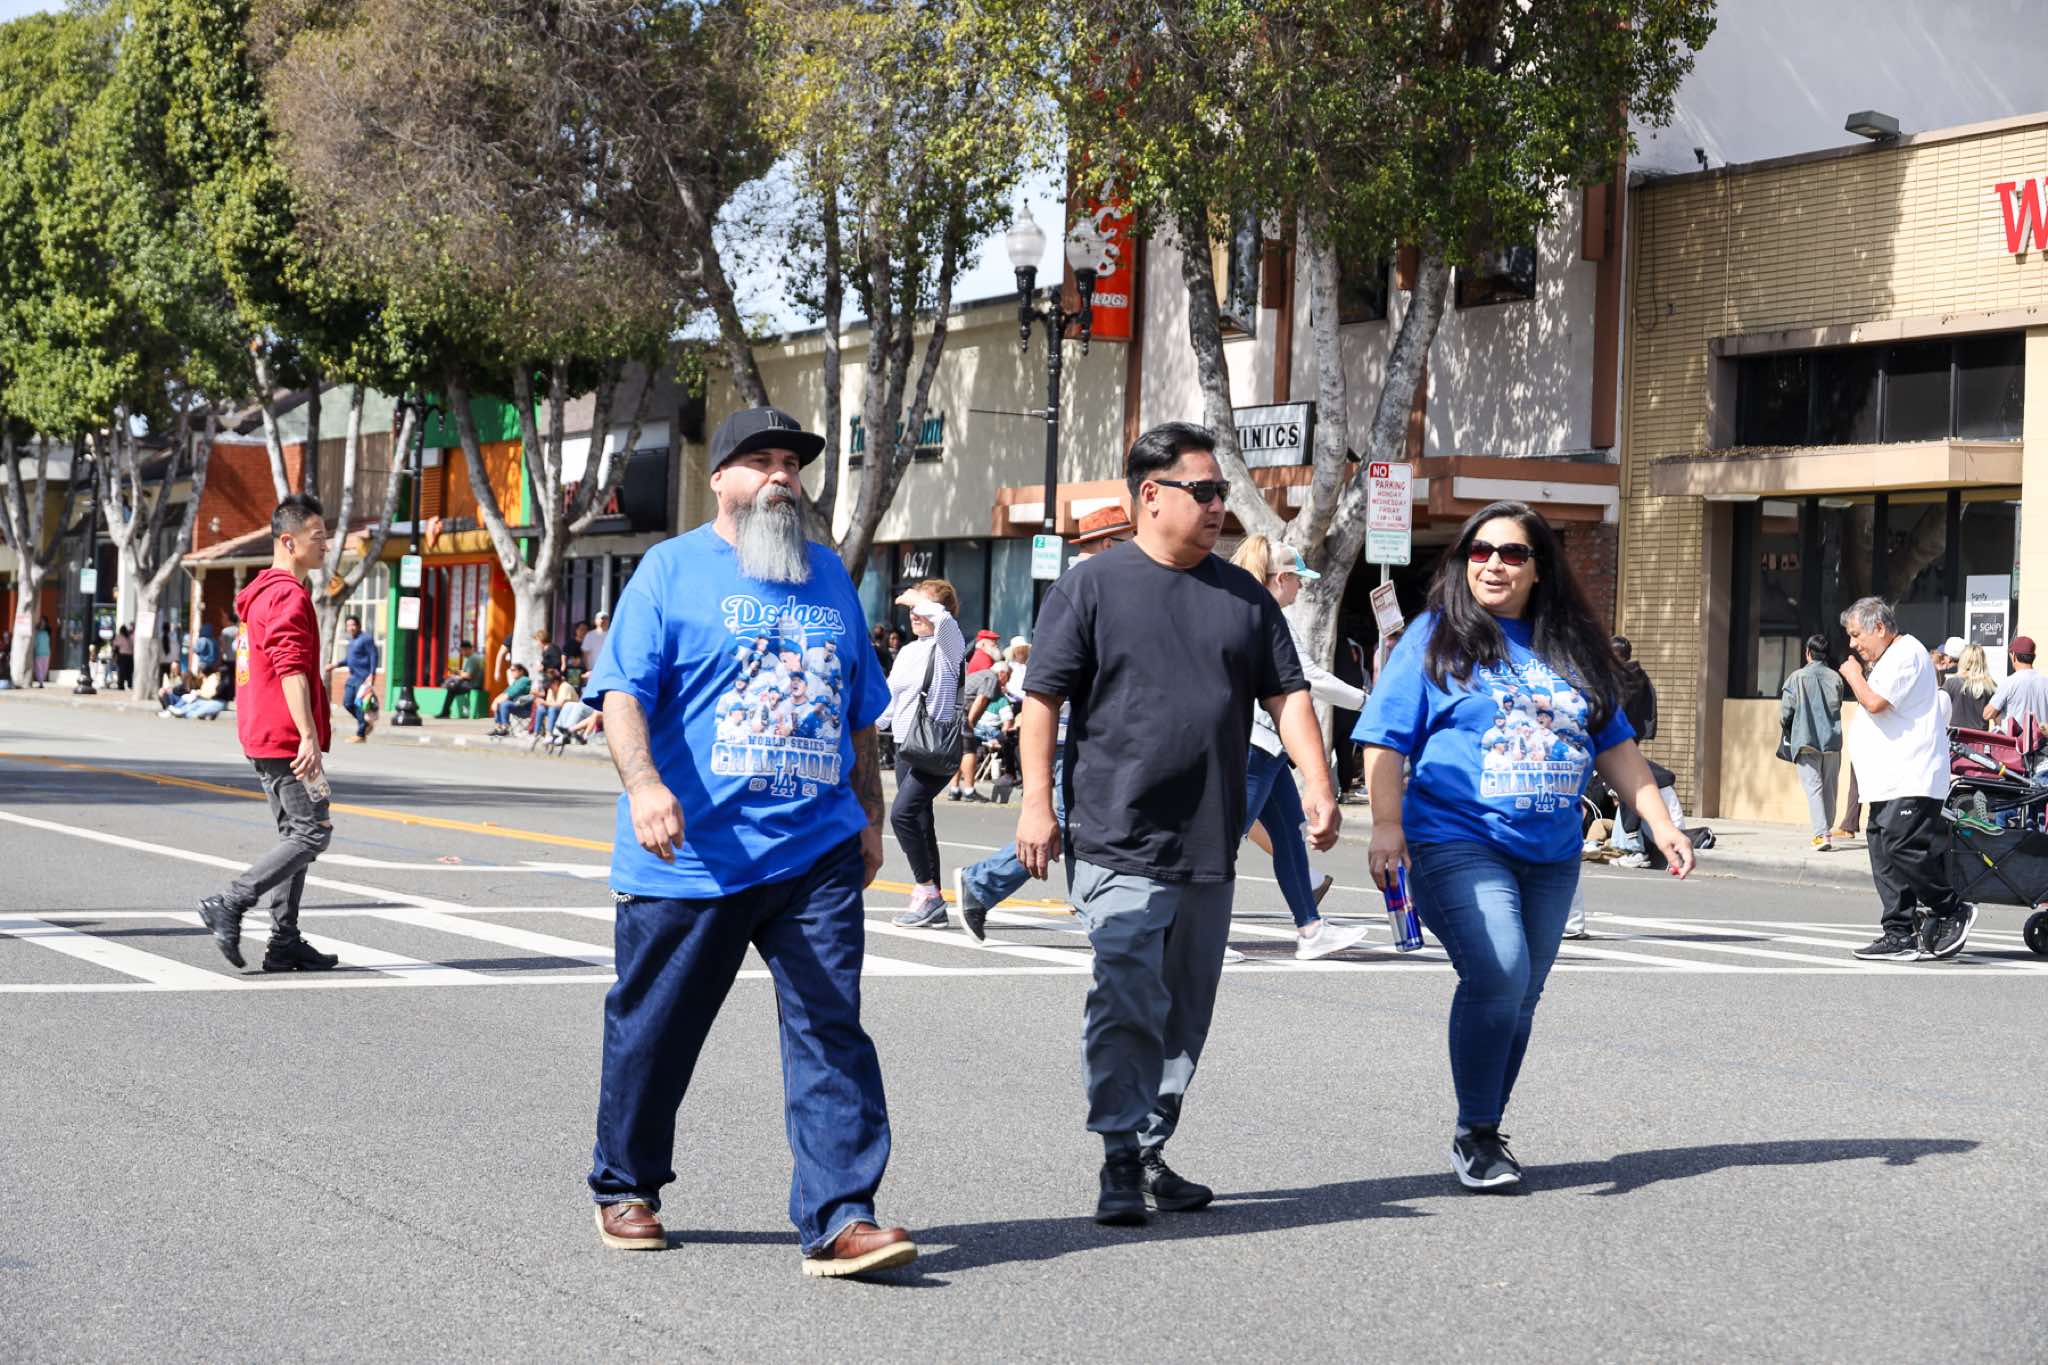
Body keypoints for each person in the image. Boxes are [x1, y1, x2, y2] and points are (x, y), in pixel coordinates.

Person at [582, 403, 913, 1277]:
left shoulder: (829, 575)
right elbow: (621, 692)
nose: (781, 477)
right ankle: (627, 1183)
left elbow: (858, 708)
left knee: (831, 1029)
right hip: (692, 856)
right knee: (656, 1030)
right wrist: (645, 786)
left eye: (792, 464)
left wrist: (870, 815)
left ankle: (841, 1215)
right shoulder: (668, 569)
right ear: (721, 477)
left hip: (816, 852)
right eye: (761, 461)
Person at [1016, 422, 1338, 1225]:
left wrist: (1317, 779)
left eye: (1222, 491)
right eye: (1205, 490)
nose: (1219, 505)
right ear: (1151, 495)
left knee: (1185, 1011)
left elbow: (1288, 695)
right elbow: (1041, 700)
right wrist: (1034, 802)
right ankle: (1119, 1152)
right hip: (1116, 833)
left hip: (1209, 836)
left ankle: (1151, 1144)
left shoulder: (1245, 597)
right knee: (1127, 991)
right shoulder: (1090, 587)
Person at [1358, 500, 1693, 1194]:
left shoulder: (1570, 645)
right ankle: (1478, 1134)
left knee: (1521, 995)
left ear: (1539, 569)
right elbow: (1384, 738)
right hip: (1456, 837)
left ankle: (1482, 1128)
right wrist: (1386, 824)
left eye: (1512, 553)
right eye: (1479, 552)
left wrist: (1661, 823)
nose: (1494, 565)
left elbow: (1616, 745)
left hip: (1551, 853)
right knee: (1500, 970)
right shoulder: (1434, 636)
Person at [953, 506, 1135, 939]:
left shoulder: (1096, 584)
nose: (1136, 551)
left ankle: (1095, 917)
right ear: (1108, 544)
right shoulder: (1088, 587)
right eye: (1128, 542)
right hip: (1073, 731)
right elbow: (1052, 681)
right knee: (1076, 824)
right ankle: (987, 885)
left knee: (1078, 825)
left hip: (1078, 730)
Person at [194, 495, 342, 975]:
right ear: (288, 541)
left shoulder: (264, 592)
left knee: (295, 835)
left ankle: (284, 942)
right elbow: (290, 668)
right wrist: (308, 736)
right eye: (317, 537)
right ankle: (231, 901)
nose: (325, 545)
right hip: (284, 736)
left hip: (265, 730)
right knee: (311, 832)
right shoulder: (285, 595)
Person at [1229, 534, 1371, 960]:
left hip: (1267, 746)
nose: (1301, 588)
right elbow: (1309, 678)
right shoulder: (1268, 615)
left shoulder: (1250, 608)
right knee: (1220, 842)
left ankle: (1311, 929)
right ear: (1282, 578)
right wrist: (1369, 703)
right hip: (1256, 743)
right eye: (1298, 580)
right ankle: (1196, 935)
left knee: (1290, 837)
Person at [1838, 596, 1975, 963]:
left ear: (1880, 627)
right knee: (1884, 854)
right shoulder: (1890, 658)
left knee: (1902, 847)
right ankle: (1898, 933)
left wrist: (1853, 675)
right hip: (1886, 780)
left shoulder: (1906, 653)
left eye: (1856, 634)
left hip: (1911, 776)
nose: (1853, 643)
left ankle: (1950, 907)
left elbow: (1875, 703)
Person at [880, 579, 964, 926]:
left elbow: (943, 619)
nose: (913, 614)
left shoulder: (949, 645)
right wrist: (865, 728)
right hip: (905, 746)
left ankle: (926, 892)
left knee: (901, 815)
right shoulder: (909, 651)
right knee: (920, 821)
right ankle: (935, 903)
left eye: (920, 608)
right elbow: (890, 700)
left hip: (934, 747)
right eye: (912, 609)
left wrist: (918, 599)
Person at [1780, 634, 1847, 851]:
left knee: (1814, 788)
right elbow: (1837, 705)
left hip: (1806, 739)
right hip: (1831, 740)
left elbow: (1786, 712)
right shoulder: (1835, 678)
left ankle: (1821, 834)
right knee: (1829, 788)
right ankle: (1826, 829)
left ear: (1808, 653)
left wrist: (1788, 725)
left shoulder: (1796, 677)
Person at [950, 655, 1009, 801]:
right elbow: (981, 699)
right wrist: (971, 722)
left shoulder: (983, 675)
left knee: (958, 750)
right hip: (963, 712)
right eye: (1008, 677)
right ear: (1002, 673)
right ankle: (969, 790)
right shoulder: (992, 677)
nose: (1007, 681)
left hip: (955, 710)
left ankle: (954, 789)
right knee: (969, 750)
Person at [1984, 634, 2048, 732]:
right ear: (2033, 657)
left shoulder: (2009, 682)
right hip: (2042, 740)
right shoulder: (2045, 682)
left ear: (2013, 656)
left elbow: (1987, 714)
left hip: (2015, 740)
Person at [341, 614, 380, 743]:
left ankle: (361, 733)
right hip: (353, 677)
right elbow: (349, 660)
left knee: (359, 705)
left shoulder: (366, 639)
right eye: (348, 625)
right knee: (347, 703)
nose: (351, 628)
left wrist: (372, 674)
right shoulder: (352, 641)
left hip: (363, 678)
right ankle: (365, 724)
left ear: (358, 626)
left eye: (353, 625)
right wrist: (335, 665)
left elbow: (373, 656)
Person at [1612, 635, 1657, 742]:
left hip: (1616, 732)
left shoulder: (1620, 676)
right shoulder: (1639, 674)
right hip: (1634, 730)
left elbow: (1619, 705)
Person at [1945, 642, 1998, 719]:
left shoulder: (1951, 683)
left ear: (1963, 660)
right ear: (1982, 661)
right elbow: (1997, 718)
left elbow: (1941, 709)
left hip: (1953, 727)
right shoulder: (1990, 685)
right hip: (1980, 727)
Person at [436, 639, 484, 717]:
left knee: (451, 689)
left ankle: (445, 712)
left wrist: (457, 673)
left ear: (467, 649)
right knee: (452, 687)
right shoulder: (475, 657)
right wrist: (458, 672)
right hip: (474, 683)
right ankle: (445, 712)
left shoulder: (472, 659)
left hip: (473, 684)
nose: (461, 653)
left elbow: (468, 675)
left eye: (462, 650)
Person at [487, 663, 534, 736]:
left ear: (521, 671)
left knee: (504, 704)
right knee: (500, 703)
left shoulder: (524, 680)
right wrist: (496, 701)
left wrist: (497, 701)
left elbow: (512, 693)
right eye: (510, 670)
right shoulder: (516, 682)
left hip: (525, 708)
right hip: (518, 706)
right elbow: (504, 693)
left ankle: (505, 728)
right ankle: (498, 727)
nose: (511, 672)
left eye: (513, 670)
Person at [113, 625, 135, 691]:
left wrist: (114, 656)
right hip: (130, 656)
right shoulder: (131, 637)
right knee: (129, 672)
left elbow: (116, 648)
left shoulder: (119, 637)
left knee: (121, 671)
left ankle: (121, 685)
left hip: (122, 656)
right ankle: (130, 684)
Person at [32, 617, 51, 686]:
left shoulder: (45, 633)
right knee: (41, 668)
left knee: (41, 668)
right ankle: (41, 681)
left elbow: (35, 644)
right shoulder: (42, 634)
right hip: (43, 653)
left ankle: (41, 681)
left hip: (43, 653)